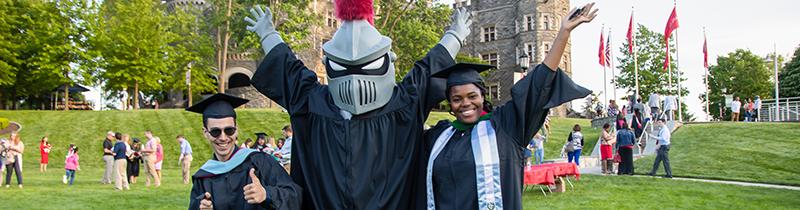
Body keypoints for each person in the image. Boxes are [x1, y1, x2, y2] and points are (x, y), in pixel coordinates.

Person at [244, 1, 474, 208]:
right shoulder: (313, 103)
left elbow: (429, 67)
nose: (355, 83)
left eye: (366, 66)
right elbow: (288, 69)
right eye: (346, 68)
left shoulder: (403, 104)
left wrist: (455, 34)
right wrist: (267, 33)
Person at [416, 4, 596, 208]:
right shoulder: (438, 137)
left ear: (483, 97)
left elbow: (537, 86)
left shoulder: (505, 126)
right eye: (457, 99)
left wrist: (563, 33)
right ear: (450, 103)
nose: (465, 103)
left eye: (472, 96)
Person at [186, 93, 302, 209]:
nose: (223, 137)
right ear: (205, 132)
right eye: (215, 132)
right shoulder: (204, 177)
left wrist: (267, 194)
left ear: (237, 130)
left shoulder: (260, 162)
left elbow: (295, 196)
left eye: (229, 130)